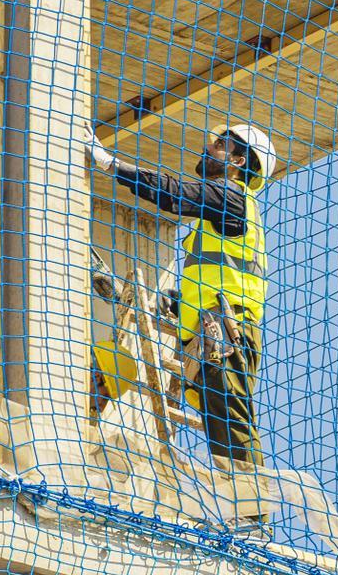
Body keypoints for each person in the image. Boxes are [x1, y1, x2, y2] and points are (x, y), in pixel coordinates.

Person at [82, 123, 276, 467]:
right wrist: (182, 300)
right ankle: (242, 507)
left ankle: (254, 513)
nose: (208, 146)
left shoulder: (231, 197)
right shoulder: (221, 214)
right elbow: (216, 274)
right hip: (205, 337)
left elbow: (174, 193)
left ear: (240, 161)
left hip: (224, 332)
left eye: (219, 144)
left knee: (231, 420)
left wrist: (111, 165)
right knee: (221, 424)